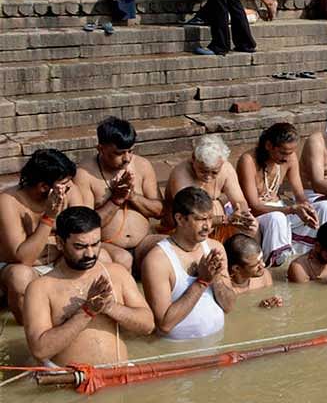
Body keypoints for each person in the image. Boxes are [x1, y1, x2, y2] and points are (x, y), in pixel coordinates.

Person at [23, 207, 154, 367]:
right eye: (80, 246)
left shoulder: (116, 273)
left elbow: (148, 325)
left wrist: (110, 307)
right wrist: (86, 312)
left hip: (120, 376)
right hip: (65, 381)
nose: (90, 254)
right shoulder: (40, 288)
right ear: (59, 243)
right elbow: (40, 350)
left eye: (95, 244)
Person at [1, 149, 85, 324]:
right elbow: (23, 258)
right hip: (17, 267)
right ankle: (32, 332)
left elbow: (83, 236)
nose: (68, 188)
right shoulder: (9, 202)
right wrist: (49, 217)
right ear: (43, 187)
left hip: (59, 260)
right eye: (63, 184)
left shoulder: (71, 192)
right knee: (20, 277)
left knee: (100, 258)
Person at [237, 123, 327, 267]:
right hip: (258, 216)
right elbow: (254, 206)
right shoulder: (248, 160)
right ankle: (279, 267)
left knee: (326, 207)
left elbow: (300, 195)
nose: (287, 158)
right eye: (283, 153)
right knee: (277, 218)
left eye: (290, 153)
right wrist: (291, 210)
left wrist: (307, 209)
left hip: (281, 209)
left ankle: (321, 256)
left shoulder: (290, 158)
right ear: (269, 146)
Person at [141, 187, 235, 340]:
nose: (208, 226)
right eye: (200, 219)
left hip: (218, 343)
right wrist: (202, 282)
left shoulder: (215, 248)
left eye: (210, 218)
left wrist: (216, 278)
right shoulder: (157, 260)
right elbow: (164, 324)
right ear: (180, 219)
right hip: (178, 351)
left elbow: (229, 306)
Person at [73, 117, 162, 271]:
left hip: (143, 242)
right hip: (109, 247)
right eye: (119, 153)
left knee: (169, 248)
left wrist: (133, 196)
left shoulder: (143, 165)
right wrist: (115, 200)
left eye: (131, 151)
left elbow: (160, 211)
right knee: (123, 259)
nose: (127, 158)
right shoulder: (84, 174)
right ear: (100, 149)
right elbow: (84, 227)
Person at [164, 134, 256, 242]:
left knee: (252, 228)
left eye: (214, 172)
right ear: (193, 159)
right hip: (186, 230)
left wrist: (243, 216)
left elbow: (239, 201)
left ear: (222, 163)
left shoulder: (226, 168)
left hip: (220, 226)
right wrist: (226, 219)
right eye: (203, 171)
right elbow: (191, 217)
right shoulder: (180, 174)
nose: (208, 176)